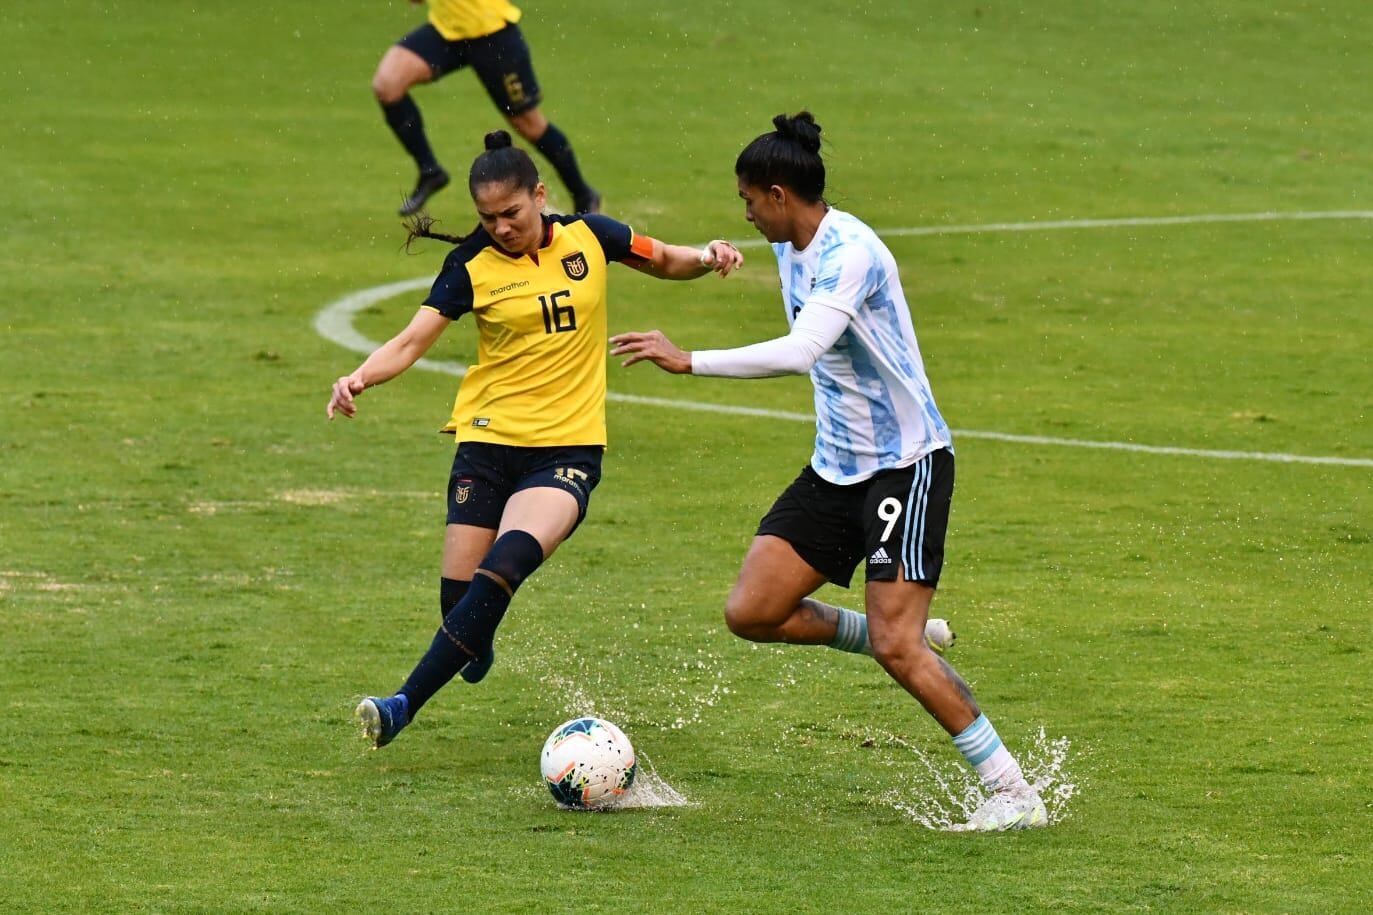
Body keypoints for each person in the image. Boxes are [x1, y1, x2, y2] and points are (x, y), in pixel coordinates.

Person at [609, 112, 1048, 832]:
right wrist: (713, 255)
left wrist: (688, 358)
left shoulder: (852, 252)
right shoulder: (792, 241)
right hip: (835, 465)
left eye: (749, 202)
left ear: (780, 195)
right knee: (752, 610)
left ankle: (1011, 790)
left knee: (894, 647)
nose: (746, 214)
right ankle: (899, 623)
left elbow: (800, 349)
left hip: (904, 466)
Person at [327, 130, 743, 748]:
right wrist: (360, 375)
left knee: (507, 563)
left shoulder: (592, 237)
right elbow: (411, 340)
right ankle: (470, 636)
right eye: (488, 217)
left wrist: (708, 255)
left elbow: (664, 259)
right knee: (460, 609)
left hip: (566, 450)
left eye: (511, 214)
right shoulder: (469, 265)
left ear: (539, 195)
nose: (500, 227)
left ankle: (400, 705)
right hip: (488, 447)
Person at [373, 0, 601, 216]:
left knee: (530, 124)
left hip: (493, 32)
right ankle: (430, 171)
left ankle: (584, 195)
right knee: (387, 84)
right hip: (448, 32)